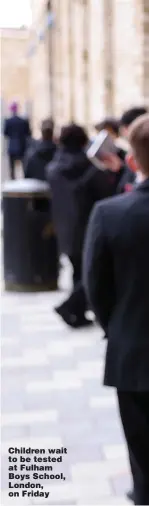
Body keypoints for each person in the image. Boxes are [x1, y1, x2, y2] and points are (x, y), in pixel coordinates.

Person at [83, 114, 149, 505]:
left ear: (134, 162)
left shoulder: (110, 214)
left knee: (143, 456)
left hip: (134, 349)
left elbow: (96, 289)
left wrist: (119, 327)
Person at [46, 123, 113, 328]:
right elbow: (105, 194)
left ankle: (79, 311)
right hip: (88, 226)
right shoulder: (90, 168)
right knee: (89, 273)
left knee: (79, 271)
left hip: (64, 228)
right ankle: (70, 306)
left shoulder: (54, 168)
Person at [4, 101, 31, 179]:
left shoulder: (8, 121)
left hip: (12, 147)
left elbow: (6, 133)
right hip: (22, 146)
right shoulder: (23, 121)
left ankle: (12, 182)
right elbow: (28, 133)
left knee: (12, 169)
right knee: (24, 168)